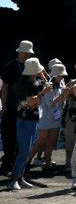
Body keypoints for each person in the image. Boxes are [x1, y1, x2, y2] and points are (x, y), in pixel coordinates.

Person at [9, 57, 50, 191]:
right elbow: (30, 102)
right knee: (24, 150)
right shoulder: (23, 85)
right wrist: (42, 93)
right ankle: (14, 178)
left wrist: (41, 74)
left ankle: (20, 178)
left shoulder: (33, 81)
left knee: (27, 150)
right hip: (25, 120)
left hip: (30, 119)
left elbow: (46, 83)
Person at [1, 40, 34, 176]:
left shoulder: (30, 66)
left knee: (21, 138)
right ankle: (7, 164)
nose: (28, 55)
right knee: (9, 136)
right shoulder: (12, 66)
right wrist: (4, 105)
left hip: (24, 108)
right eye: (27, 52)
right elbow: (5, 87)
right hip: (11, 107)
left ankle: (16, 165)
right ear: (22, 52)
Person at [28, 62, 67, 173]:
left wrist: (63, 96)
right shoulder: (47, 86)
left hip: (55, 117)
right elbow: (51, 103)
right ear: (55, 75)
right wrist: (63, 95)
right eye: (60, 75)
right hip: (46, 117)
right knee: (41, 141)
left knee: (50, 141)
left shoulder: (60, 85)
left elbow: (60, 103)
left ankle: (47, 163)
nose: (62, 77)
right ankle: (28, 160)